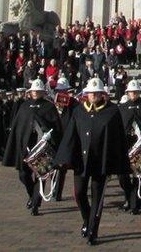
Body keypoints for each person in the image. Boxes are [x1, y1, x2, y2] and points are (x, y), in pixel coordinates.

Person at [55, 78, 128, 245]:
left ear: (102, 94)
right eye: (90, 93)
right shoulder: (79, 111)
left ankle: (93, 230)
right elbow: (71, 135)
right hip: (81, 160)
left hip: (101, 160)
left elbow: (118, 139)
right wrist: (64, 158)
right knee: (79, 193)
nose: (93, 96)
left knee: (98, 197)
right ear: (86, 94)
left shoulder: (112, 111)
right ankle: (87, 220)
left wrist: (116, 162)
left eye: (96, 93)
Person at [3, 79, 61, 216]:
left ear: (42, 92)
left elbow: (56, 127)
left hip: (42, 148)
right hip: (26, 146)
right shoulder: (24, 106)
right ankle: (31, 195)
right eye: (33, 91)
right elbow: (19, 127)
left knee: (41, 175)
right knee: (23, 175)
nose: (35, 93)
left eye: (38, 91)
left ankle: (35, 203)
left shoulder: (49, 107)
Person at [118, 79, 141, 214]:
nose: (133, 94)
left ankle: (135, 204)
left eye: (135, 92)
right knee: (123, 177)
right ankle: (128, 197)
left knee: (138, 176)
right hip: (125, 146)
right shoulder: (122, 108)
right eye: (131, 92)